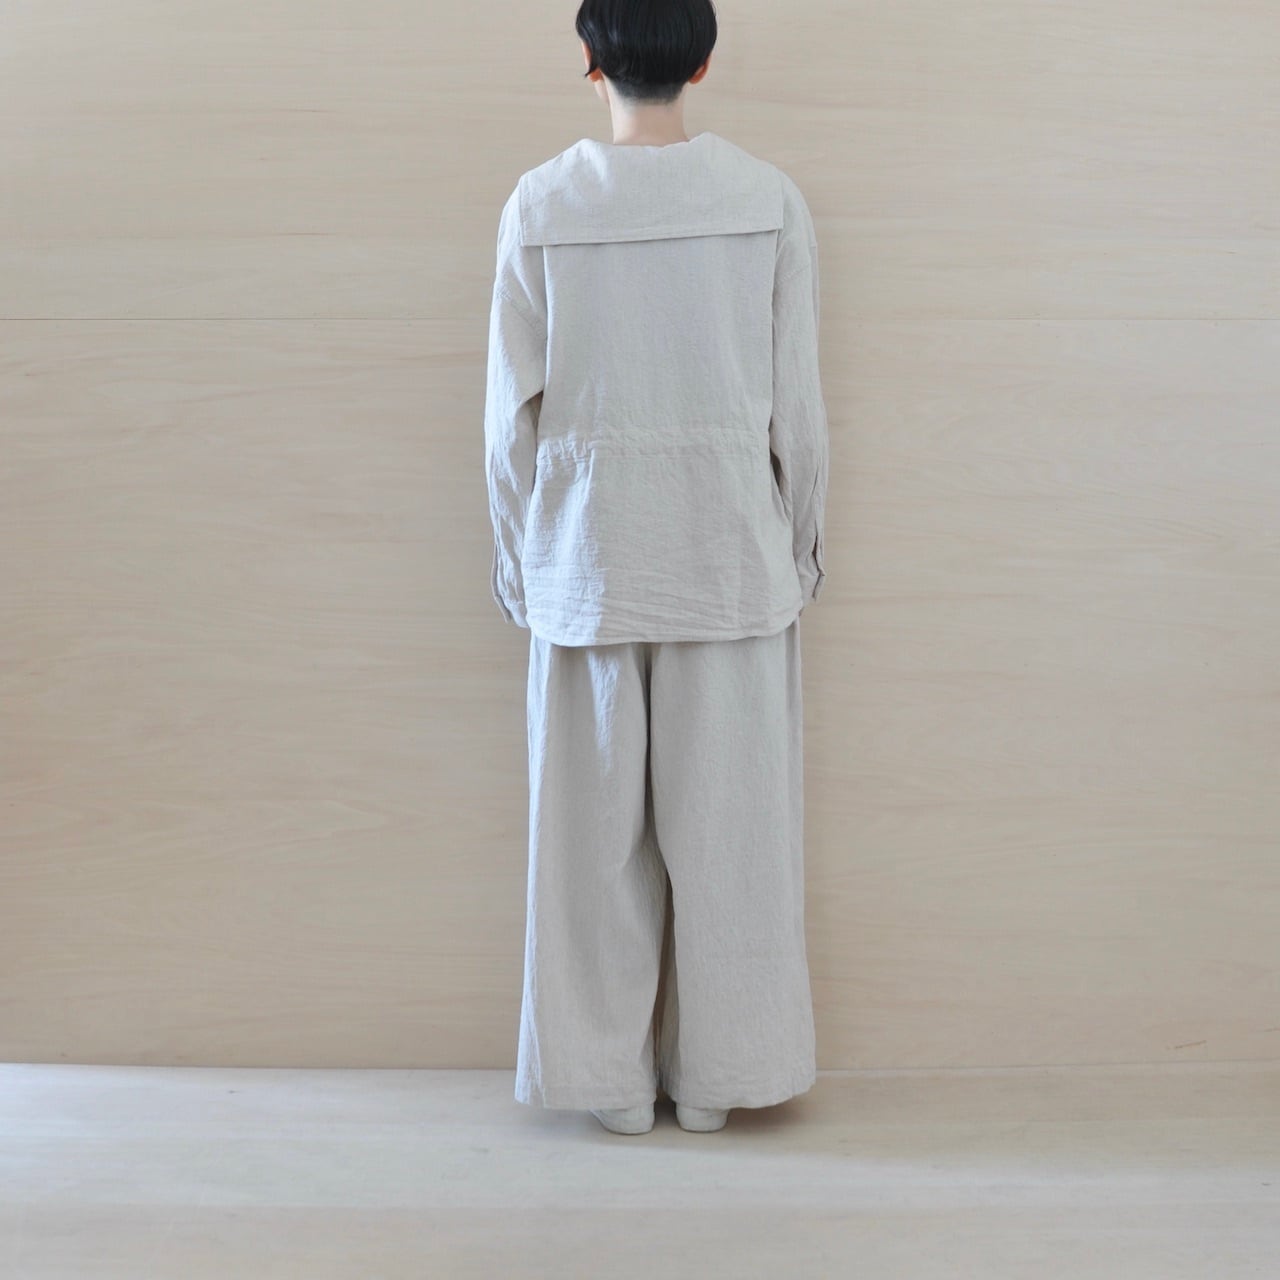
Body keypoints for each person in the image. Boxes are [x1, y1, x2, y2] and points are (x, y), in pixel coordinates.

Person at [483, 0, 828, 1136]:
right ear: (703, 61)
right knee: (734, 842)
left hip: (585, 559)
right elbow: (797, 408)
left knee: (587, 853)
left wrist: (519, 564)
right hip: (729, 556)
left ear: (589, 61)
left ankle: (607, 1085)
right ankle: (722, 1078)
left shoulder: (542, 204)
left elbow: (508, 419)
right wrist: (799, 546)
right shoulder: (765, 199)